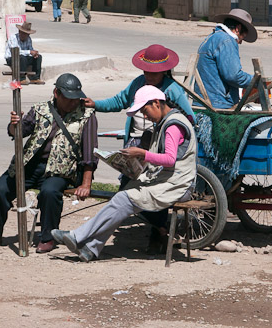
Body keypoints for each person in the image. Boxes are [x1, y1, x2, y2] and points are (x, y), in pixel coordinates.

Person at [51, 85, 196, 262]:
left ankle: (77, 236)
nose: (145, 116)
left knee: (123, 199)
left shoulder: (173, 126)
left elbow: (170, 159)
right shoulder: (165, 122)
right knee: (124, 197)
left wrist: (142, 154)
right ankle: (91, 248)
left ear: (156, 103)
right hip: (169, 181)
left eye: (145, 110)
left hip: (178, 186)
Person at [82, 44, 194, 253]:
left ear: (163, 70)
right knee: (127, 185)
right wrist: (95, 103)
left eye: (153, 73)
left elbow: (189, 118)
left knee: (152, 185)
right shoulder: (137, 84)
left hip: (159, 147)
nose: (149, 76)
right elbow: (119, 101)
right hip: (135, 143)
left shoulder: (173, 90)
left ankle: (157, 233)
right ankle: (158, 228)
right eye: (146, 72)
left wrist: (173, 136)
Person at [0, 73, 98, 254]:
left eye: (76, 99)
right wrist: (13, 124)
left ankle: (48, 237)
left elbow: (90, 153)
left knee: (49, 192)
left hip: (60, 169)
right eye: (69, 99)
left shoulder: (87, 115)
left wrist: (86, 183)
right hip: (30, 165)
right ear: (57, 93)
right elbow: (18, 132)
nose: (73, 103)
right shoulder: (40, 109)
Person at [195, 8, 257, 109]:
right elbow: (234, 76)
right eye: (242, 37)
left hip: (203, 100)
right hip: (217, 103)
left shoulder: (212, 37)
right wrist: (256, 81)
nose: (240, 42)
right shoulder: (227, 40)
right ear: (237, 29)